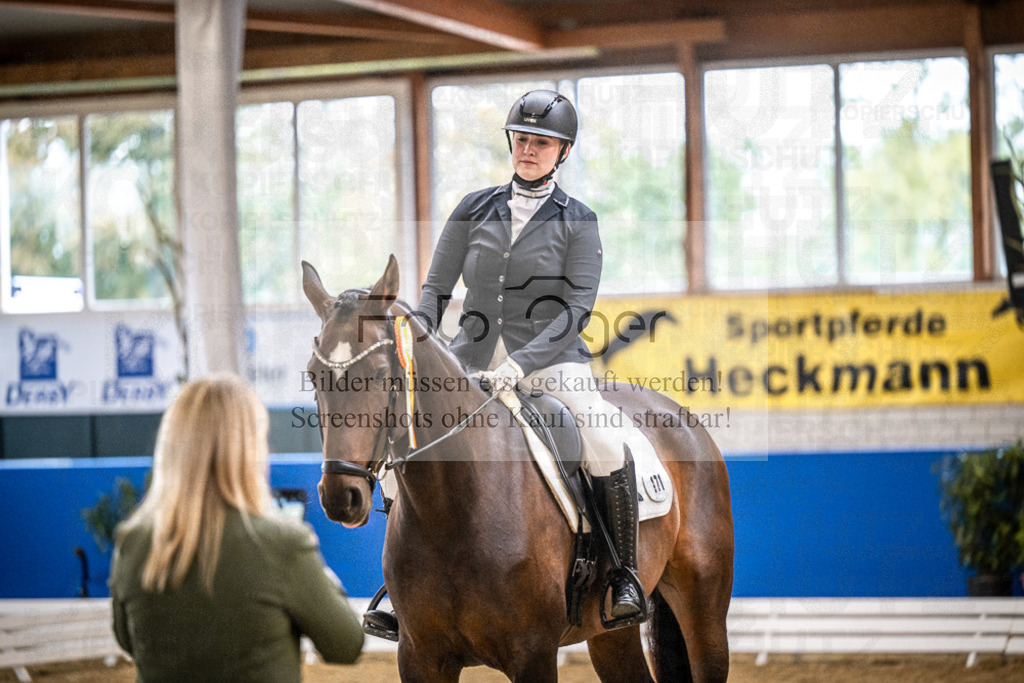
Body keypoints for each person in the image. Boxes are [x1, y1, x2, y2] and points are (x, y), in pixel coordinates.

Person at [365, 90, 646, 637]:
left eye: (542, 143)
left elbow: (575, 309)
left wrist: (521, 362)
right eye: (522, 140)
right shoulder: (474, 207)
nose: (529, 150)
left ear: (562, 152)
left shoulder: (579, 221)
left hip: (549, 360)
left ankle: (624, 576)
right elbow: (436, 288)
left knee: (606, 440)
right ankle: (400, 591)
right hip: (466, 360)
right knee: (404, 444)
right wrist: (422, 339)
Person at [109, 373, 364, 682]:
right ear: (248, 450)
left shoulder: (132, 541)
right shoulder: (283, 544)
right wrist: (316, 568)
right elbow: (346, 645)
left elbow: (128, 641)